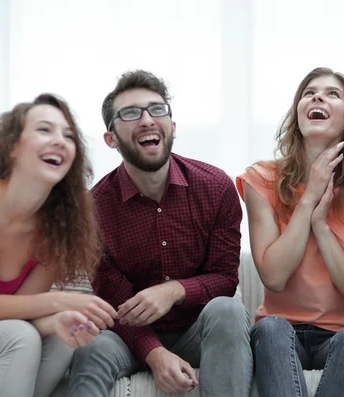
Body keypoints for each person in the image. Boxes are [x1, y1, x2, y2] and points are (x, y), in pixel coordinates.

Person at [67, 70, 252, 397]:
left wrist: (173, 291)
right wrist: (155, 354)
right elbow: (114, 304)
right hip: (129, 338)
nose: (147, 120)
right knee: (90, 344)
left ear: (173, 127)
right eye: (130, 113)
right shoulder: (92, 209)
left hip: (198, 331)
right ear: (111, 138)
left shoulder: (215, 186)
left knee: (229, 309)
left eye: (157, 109)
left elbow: (225, 278)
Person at [236, 67, 344, 397]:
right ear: (298, 114)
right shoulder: (261, 180)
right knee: (269, 328)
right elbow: (275, 276)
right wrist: (309, 197)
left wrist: (322, 228)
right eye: (309, 92)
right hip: (280, 333)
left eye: (332, 93)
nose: (317, 97)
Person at [0, 93, 118, 397]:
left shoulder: (56, 231)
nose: (59, 141)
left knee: (65, 336)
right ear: (12, 146)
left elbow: (19, 311)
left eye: (68, 136)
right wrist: (64, 301)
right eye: (44, 129)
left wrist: (58, 320)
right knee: (18, 336)